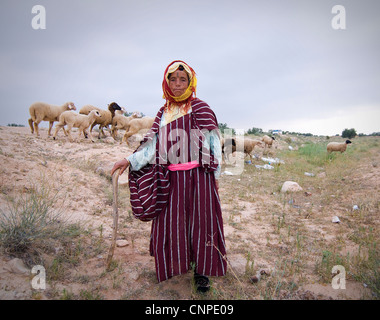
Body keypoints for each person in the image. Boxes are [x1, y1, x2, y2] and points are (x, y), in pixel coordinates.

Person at [111, 60, 227, 292]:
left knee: (202, 223)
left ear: (190, 82)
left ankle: (202, 272)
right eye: (172, 79)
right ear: (166, 82)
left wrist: (214, 174)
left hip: (199, 178)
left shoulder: (201, 108)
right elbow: (151, 146)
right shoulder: (164, 113)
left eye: (183, 79)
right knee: (173, 223)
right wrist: (129, 160)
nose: (177, 84)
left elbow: (214, 144)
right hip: (171, 179)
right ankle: (177, 263)